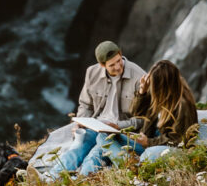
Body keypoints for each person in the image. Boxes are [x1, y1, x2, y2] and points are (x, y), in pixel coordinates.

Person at [52, 41, 147, 176]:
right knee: (77, 149)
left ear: (121, 54)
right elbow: (86, 104)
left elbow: (143, 118)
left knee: (92, 158)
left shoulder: (139, 76)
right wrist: (81, 123)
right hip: (96, 125)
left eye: (119, 61)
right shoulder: (92, 73)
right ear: (102, 65)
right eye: (112, 65)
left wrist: (118, 126)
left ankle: (80, 182)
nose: (118, 67)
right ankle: (51, 177)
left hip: (121, 132)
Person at [129, 59, 198, 161]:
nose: (150, 86)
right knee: (103, 138)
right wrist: (142, 92)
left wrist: (148, 142)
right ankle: (130, 162)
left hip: (163, 145)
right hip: (149, 137)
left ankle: (131, 163)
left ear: (162, 87)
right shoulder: (158, 94)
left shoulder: (183, 105)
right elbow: (136, 113)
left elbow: (178, 140)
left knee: (147, 157)